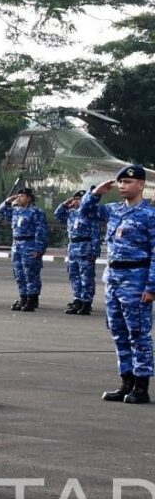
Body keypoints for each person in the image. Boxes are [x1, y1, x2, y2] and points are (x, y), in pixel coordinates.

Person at [78, 167, 154, 404]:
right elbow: (85, 213)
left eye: (128, 182)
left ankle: (142, 386)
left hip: (136, 279)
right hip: (113, 279)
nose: (122, 186)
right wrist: (95, 193)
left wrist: (151, 287)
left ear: (141, 185)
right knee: (118, 333)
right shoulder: (113, 210)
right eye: (120, 182)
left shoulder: (149, 215)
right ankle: (126, 382)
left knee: (138, 333)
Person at [0, 186, 48, 312]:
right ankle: (23, 297)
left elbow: (40, 231)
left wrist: (38, 248)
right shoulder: (16, 210)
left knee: (30, 273)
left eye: (22, 196)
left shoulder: (36, 212)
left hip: (29, 244)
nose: (19, 198)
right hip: (17, 245)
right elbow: (2, 211)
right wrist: (10, 200)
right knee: (19, 274)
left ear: (29, 199)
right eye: (18, 196)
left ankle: (32, 299)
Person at [54, 189, 101, 314]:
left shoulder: (90, 214)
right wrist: (66, 203)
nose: (76, 201)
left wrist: (95, 251)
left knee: (87, 277)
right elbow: (58, 214)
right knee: (74, 275)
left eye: (79, 199)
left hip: (86, 247)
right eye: (75, 199)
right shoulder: (71, 213)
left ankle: (87, 302)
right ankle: (77, 299)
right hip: (73, 247)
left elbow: (95, 233)